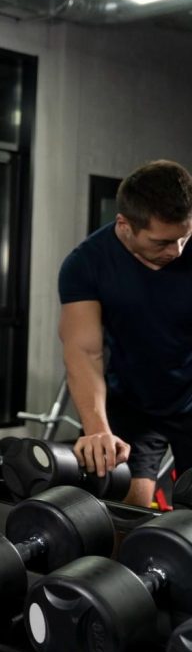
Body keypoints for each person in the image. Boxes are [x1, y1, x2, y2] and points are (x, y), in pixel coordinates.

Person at [58, 159, 192, 506]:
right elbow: (84, 351)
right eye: (162, 242)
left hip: (189, 394)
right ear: (124, 224)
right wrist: (97, 429)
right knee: (124, 510)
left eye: (184, 237)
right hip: (131, 400)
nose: (176, 251)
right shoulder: (87, 262)